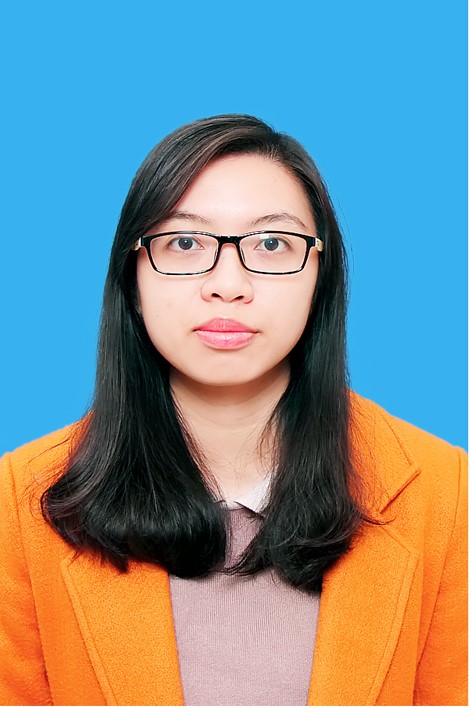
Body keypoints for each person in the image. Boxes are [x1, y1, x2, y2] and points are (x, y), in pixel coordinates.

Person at [0, 114, 466, 707]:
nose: (228, 284)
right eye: (184, 242)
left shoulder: (448, 494)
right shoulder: (20, 501)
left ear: (321, 278)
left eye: (271, 244)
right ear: (132, 278)